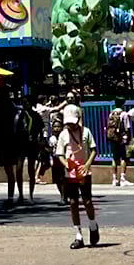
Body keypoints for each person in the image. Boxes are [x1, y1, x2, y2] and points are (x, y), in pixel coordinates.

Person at [56, 103, 99, 249]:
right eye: (68, 123)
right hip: (70, 173)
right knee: (73, 202)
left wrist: (87, 164)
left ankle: (93, 226)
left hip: (84, 172)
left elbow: (93, 150)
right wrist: (66, 164)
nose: (70, 126)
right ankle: (78, 234)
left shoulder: (86, 132)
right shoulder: (63, 135)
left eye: (72, 123)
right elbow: (60, 154)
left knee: (87, 201)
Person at [12, 93, 42, 203]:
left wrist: (40, 141)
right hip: (20, 144)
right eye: (23, 102)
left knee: (31, 169)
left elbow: (40, 130)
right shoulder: (19, 115)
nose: (25, 105)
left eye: (27, 102)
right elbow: (15, 129)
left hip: (32, 144)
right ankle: (20, 194)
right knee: (19, 169)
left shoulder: (35, 115)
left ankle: (31, 195)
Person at [106, 100, 132, 186]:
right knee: (123, 157)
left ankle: (114, 179)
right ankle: (122, 179)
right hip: (121, 138)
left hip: (113, 138)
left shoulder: (111, 114)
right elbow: (127, 128)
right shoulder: (124, 114)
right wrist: (128, 138)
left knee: (114, 158)